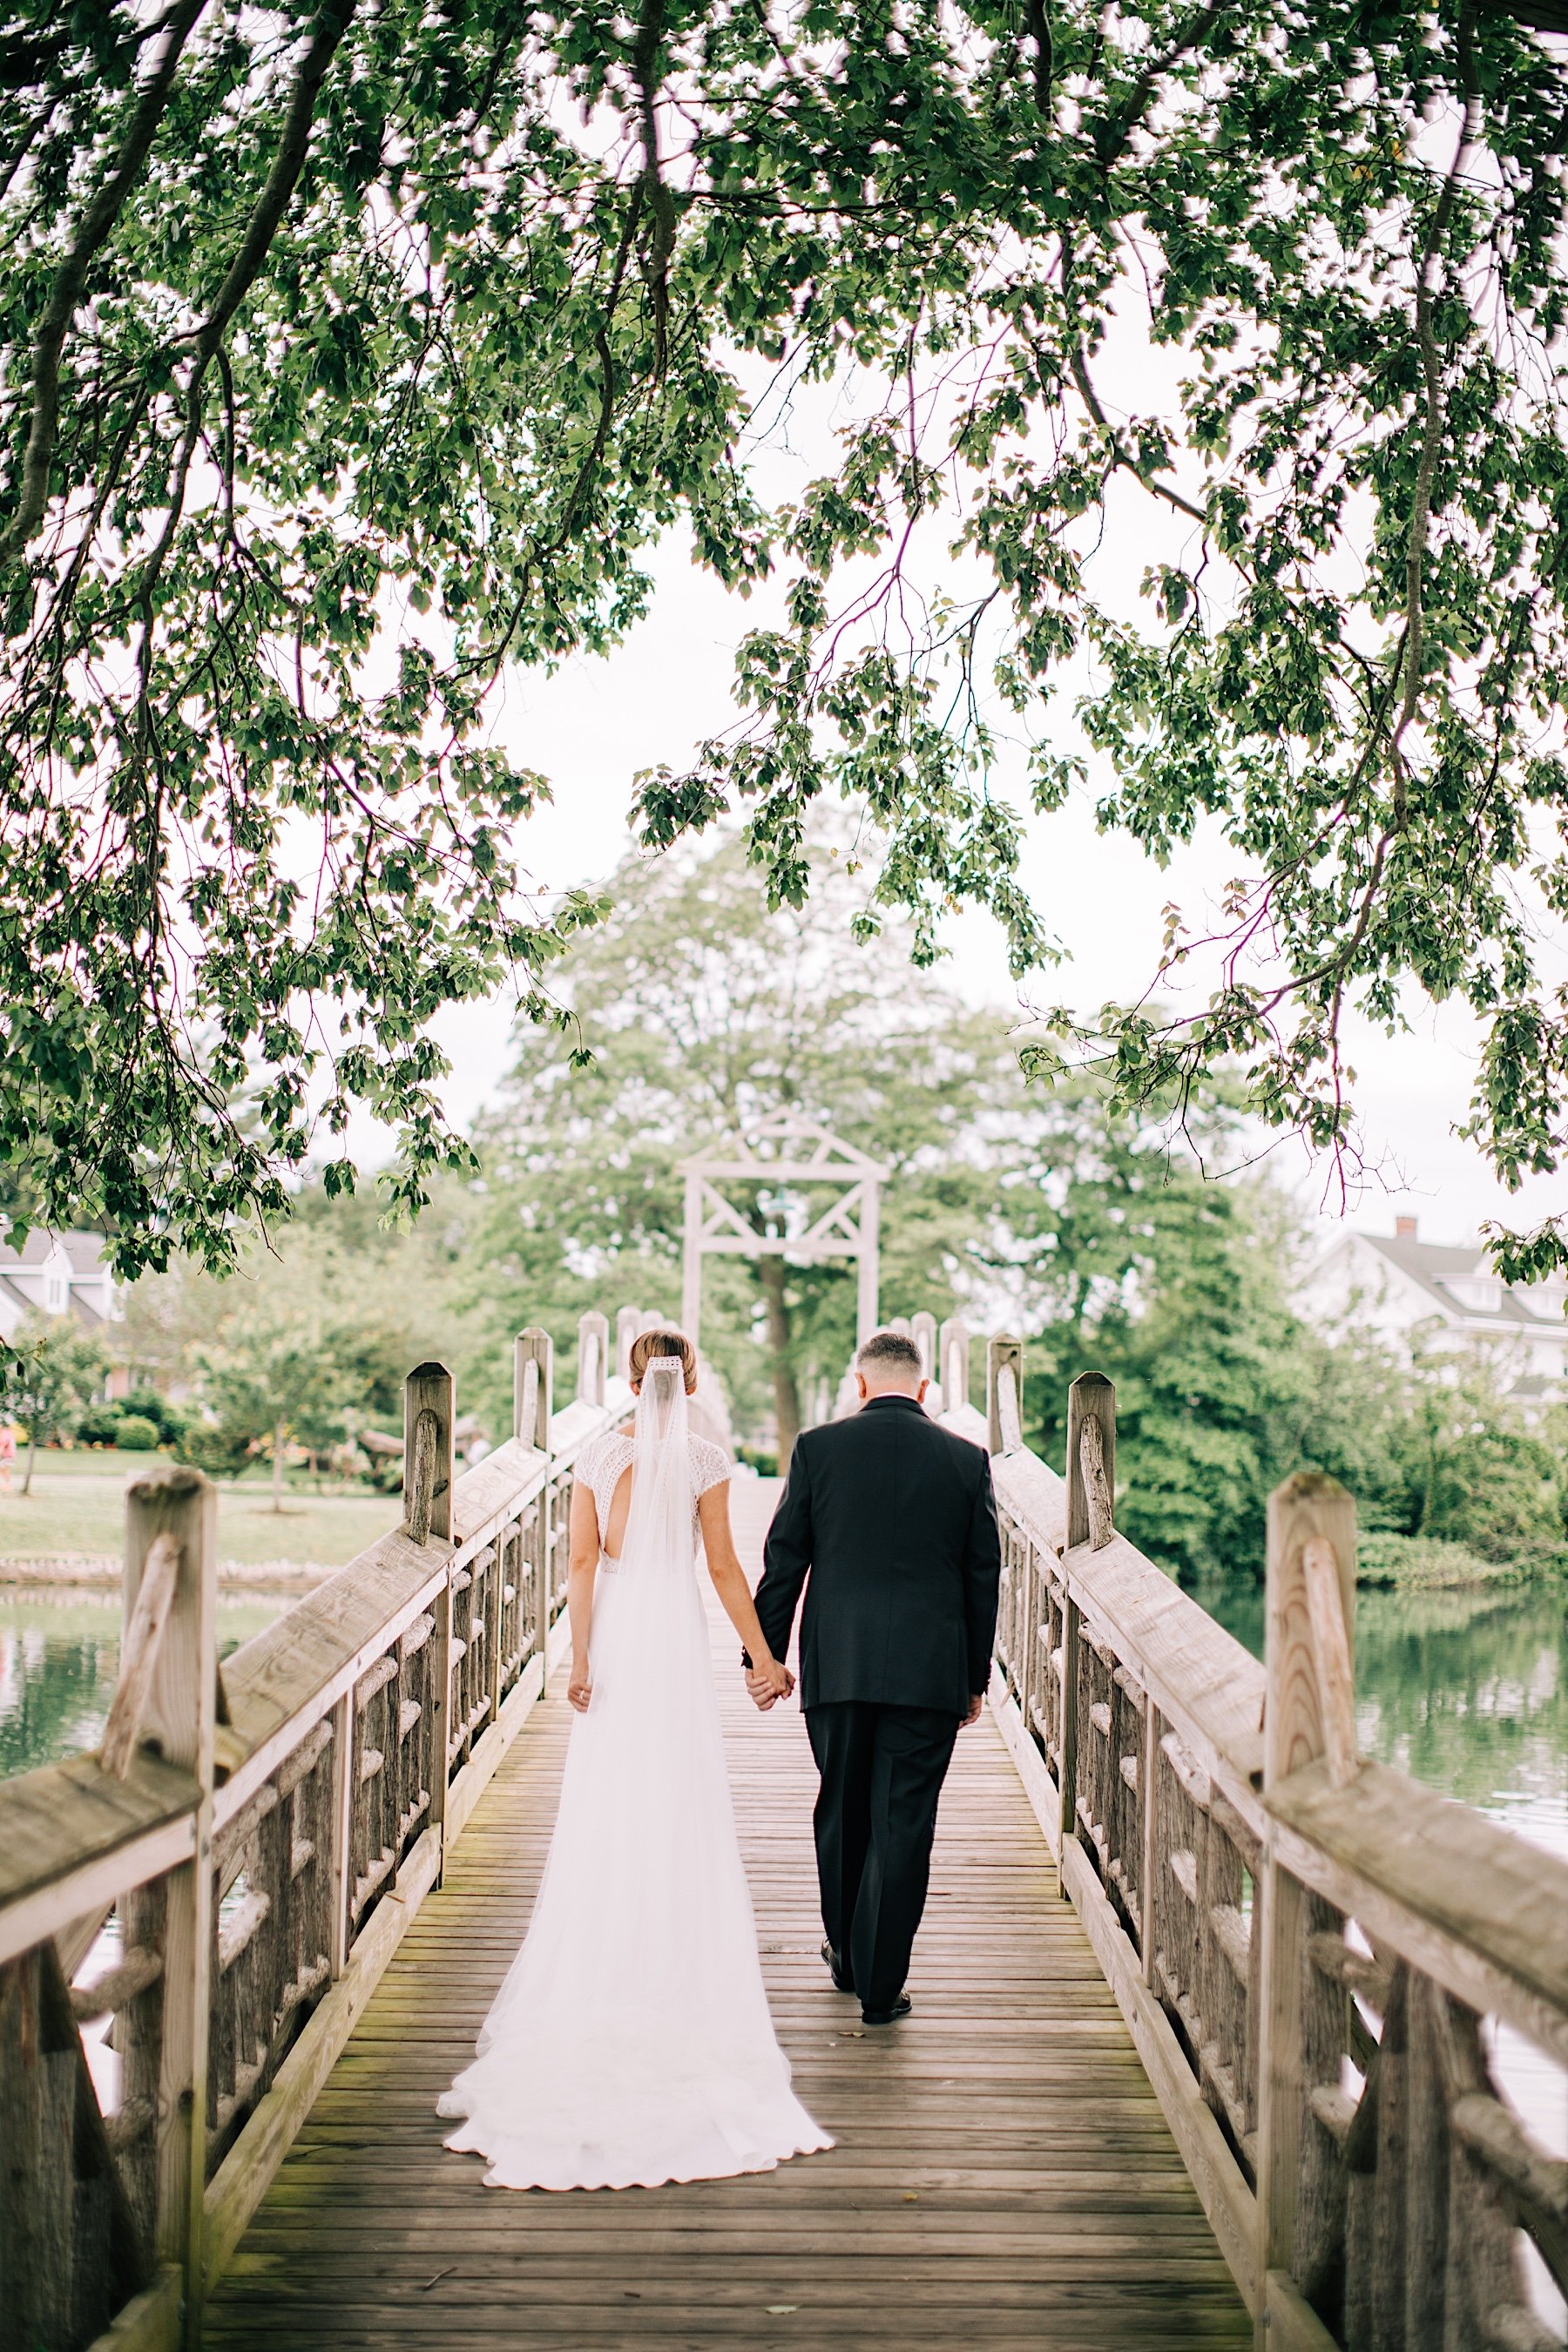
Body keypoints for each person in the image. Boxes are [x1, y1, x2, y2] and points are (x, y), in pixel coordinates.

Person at [438, 1328, 830, 2191]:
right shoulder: (703, 1458)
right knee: (676, 1796)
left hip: (617, 1629)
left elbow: (580, 1560)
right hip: (674, 1638)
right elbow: (725, 1568)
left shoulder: (594, 1454)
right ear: (689, 1379)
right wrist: (764, 1658)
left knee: (605, 1804)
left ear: (627, 1377)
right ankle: (675, 1978)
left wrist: (579, 1660)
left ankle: (597, 1974)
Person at [748, 1328, 1002, 2027]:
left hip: (840, 1663)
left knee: (843, 1807)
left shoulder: (818, 1449)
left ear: (859, 1385)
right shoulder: (967, 1460)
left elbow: (785, 1560)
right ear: (924, 1390)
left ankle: (847, 1956)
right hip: (929, 1672)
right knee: (905, 1822)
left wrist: (764, 1659)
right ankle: (881, 1988)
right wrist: (974, 1676)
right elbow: (985, 1579)